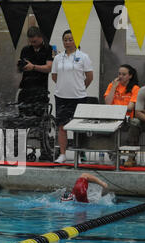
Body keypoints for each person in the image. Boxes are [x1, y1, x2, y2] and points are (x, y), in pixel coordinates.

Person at [51, 30, 93, 164]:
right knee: (62, 126)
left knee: (78, 127)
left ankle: (80, 153)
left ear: (76, 41)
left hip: (79, 97)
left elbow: (89, 77)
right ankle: (63, 154)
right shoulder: (58, 58)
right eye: (65, 40)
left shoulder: (83, 57)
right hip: (61, 97)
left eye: (70, 39)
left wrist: (79, 87)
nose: (68, 42)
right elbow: (54, 76)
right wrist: (65, 86)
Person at [17, 26, 53, 161]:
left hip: (40, 89)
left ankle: (45, 151)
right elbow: (20, 68)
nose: (33, 43)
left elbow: (49, 68)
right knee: (21, 121)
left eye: (35, 41)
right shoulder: (25, 50)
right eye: (31, 41)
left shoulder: (48, 49)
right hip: (26, 89)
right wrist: (20, 66)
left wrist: (34, 67)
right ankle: (20, 151)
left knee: (42, 122)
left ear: (40, 38)